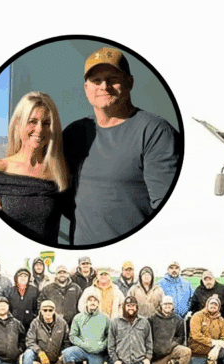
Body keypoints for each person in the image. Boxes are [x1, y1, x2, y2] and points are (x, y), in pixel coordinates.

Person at [62, 47, 180, 246]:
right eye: (96, 80)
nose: (104, 86)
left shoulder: (154, 132)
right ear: (86, 88)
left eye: (113, 78)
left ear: (129, 82)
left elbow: (165, 206)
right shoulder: (75, 133)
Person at [0, 92, 69, 244]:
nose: (39, 129)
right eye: (32, 121)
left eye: (46, 123)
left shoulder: (59, 174)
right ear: (17, 124)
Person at [62, 292, 110, 364]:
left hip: (97, 352)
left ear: (98, 303)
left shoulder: (105, 318)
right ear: (86, 302)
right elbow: (73, 336)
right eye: (90, 300)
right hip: (83, 349)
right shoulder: (78, 317)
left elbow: (110, 336)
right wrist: (84, 345)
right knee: (67, 353)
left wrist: (101, 346)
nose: (92, 303)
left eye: (95, 301)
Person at [22, 300, 70, 364]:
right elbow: (30, 340)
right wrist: (39, 352)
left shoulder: (62, 323)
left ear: (54, 311)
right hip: (39, 355)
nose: (48, 312)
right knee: (28, 354)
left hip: (52, 359)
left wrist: (61, 355)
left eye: (50, 310)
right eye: (45, 310)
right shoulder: (35, 323)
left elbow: (66, 341)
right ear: (40, 311)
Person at [188, 295, 224, 364]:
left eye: (216, 305)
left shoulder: (221, 321)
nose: (213, 306)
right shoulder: (197, 316)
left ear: (219, 307)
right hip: (199, 351)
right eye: (211, 304)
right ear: (207, 305)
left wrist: (217, 347)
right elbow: (195, 335)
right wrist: (213, 342)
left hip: (214, 351)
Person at [109, 296, 153, 364]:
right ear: (124, 307)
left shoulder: (144, 322)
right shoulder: (115, 322)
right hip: (123, 363)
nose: (131, 308)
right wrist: (115, 360)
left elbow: (149, 342)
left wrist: (148, 358)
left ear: (137, 307)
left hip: (140, 362)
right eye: (128, 305)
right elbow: (111, 345)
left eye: (133, 305)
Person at [149, 295, 192, 364]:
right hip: (158, 354)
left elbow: (181, 337)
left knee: (186, 352)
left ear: (173, 306)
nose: (167, 306)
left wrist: (170, 345)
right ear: (161, 305)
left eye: (170, 304)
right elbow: (148, 338)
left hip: (172, 349)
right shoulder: (152, 319)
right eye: (165, 304)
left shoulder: (178, 320)